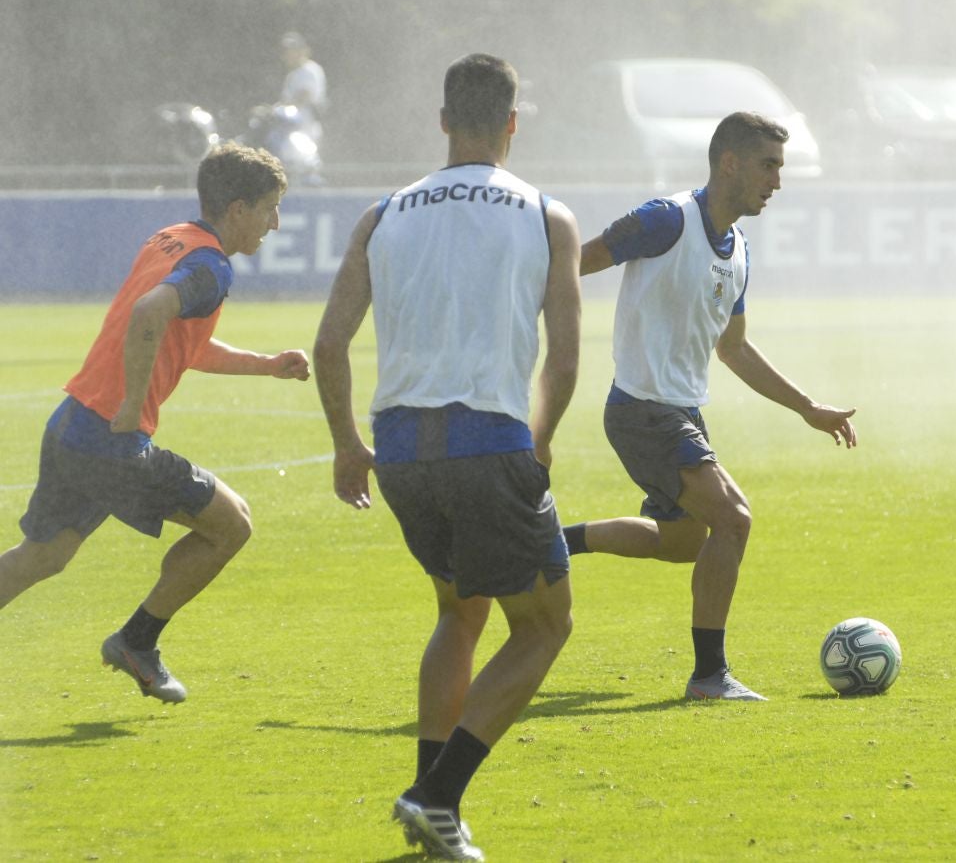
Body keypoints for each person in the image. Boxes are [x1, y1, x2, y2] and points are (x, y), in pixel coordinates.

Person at [314, 52, 580, 861]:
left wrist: (347, 446)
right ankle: (436, 794)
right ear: (511, 123)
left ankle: (439, 819)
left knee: (457, 613)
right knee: (543, 626)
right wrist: (537, 441)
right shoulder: (544, 214)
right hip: (487, 442)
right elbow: (562, 361)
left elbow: (329, 345)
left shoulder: (383, 213)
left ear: (441, 121)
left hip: (399, 451)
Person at [561, 111, 857, 703]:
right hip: (643, 409)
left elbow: (735, 349)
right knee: (735, 519)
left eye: (780, 167)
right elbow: (573, 264)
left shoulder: (738, 248)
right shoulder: (665, 220)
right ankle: (708, 676)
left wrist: (807, 408)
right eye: (768, 165)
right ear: (729, 163)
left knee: (682, 545)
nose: (777, 180)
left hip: (682, 412)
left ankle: (553, 539)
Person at [0, 143, 308, 704]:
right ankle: (137, 642)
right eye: (269, 208)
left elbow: (177, 336)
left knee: (42, 557)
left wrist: (263, 366)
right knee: (232, 524)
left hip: (72, 423)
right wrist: (131, 408)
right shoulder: (211, 265)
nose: (275, 222)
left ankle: (137, 642)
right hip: (112, 441)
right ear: (237, 209)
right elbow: (148, 315)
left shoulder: (171, 238)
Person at [278, 31, 327, 143]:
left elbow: (304, 96)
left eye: (292, 50)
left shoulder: (310, 70)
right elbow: (285, 101)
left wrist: (278, 109)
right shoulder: (292, 75)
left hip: (306, 129)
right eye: (286, 51)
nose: (288, 54)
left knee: (301, 159)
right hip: (289, 129)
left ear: (302, 51)